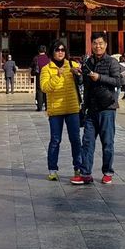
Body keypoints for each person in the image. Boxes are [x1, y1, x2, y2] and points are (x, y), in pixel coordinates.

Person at [71, 33, 121, 185]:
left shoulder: (112, 62)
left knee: (107, 142)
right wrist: (78, 75)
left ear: (105, 45)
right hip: (91, 108)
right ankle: (86, 173)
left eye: (100, 43)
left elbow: (118, 81)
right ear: (91, 45)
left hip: (107, 108)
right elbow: (83, 83)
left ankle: (107, 172)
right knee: (87, 142)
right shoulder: (88, 62)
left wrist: (99, 77)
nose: (97, 46)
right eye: (95, 43)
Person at [40, 41, 83, 180]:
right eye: (57, 50)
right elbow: (45, 88)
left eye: (63, 50)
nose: (60, 52)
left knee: (75, 140)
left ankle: (78, 168)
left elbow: (83, 78)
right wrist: (57, 76)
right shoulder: (46, 69)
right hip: (56, 110)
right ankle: (52, 170)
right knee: (55, 140)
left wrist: (78, 74)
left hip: (72, 108)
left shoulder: (72, 65)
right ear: (52, 52)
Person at [31, 45, 50, 111]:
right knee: (47, 90)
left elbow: (32, 66)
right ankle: (47, 107)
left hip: (39, 75)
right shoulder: (48, 58)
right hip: (47, 76)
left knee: (39, 91)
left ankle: (39, 107)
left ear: (38, 50)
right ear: (45, 50)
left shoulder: (36, 58)